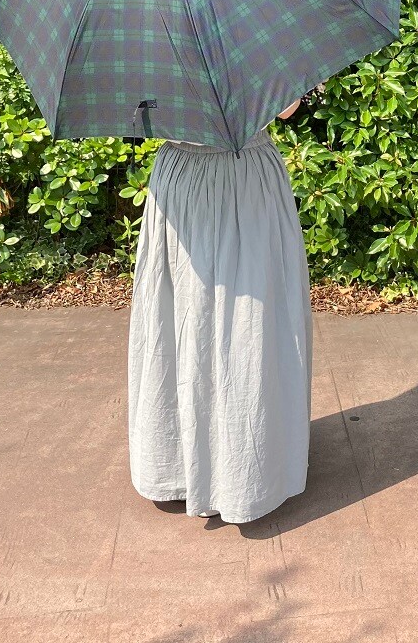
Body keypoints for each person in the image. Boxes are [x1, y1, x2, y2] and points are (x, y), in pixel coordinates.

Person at [126, 100, 311, 524]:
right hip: (244, 175)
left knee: (182, 314)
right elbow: (286, 107)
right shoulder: (261, 30)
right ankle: (248, 468)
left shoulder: (145, 35)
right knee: (249, 314)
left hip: (181, 178)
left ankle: (174, 461)